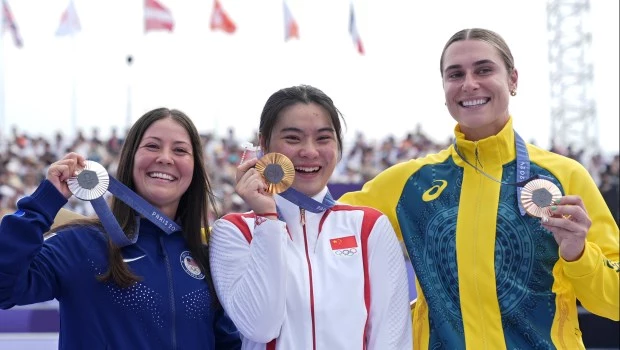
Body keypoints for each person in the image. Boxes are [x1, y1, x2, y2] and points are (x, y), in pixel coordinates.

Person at [339, 28, 620, 349]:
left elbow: (613, 303)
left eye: (484, 69)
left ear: (513, 80)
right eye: (455, 74)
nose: (469, 83)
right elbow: (323, 224)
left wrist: (579, 254)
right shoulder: (407, 183)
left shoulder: (565, 175)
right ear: (444, 88)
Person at [0, 107, 241, 349]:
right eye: (152, 146)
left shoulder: (208, 258)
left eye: (180, 150)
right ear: (130, 159)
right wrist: (43, 203)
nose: (166, 158)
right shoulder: (79, 245)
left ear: (195, 169)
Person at [209, 85, 412, 349]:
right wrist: (267, 218)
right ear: (264, 143)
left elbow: (392, 338)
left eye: (323, 138)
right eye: (293, 138)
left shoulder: (369, 227)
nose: (310, 151)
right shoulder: (234, 231)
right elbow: (260, 327)